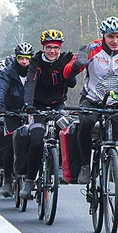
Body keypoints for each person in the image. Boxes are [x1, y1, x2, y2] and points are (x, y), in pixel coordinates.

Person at [63, 16, 118, 225]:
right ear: (103, 35)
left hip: (115, 103)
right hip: (92, 100)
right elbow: (67, 73)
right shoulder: (92, 48)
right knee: (85, 123)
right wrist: (77, 64)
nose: (114, 40)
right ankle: (85, 164)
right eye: (110, 36)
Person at [20, 29, 76, 199]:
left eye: (56, 48)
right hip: (37, 106)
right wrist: (28, 105)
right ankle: (29, 180)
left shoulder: (65, 59)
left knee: (66, 133)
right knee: (36, 141)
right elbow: (30, 84)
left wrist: (72, 69)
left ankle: (61, 169)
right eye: (49, 47)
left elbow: (72, 83)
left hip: (58, 104)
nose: (53, 51)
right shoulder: (35, 62)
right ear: (43, 47)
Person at [0, 42, 34, 197]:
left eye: (27, 58)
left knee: (35, 141)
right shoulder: (8, 72)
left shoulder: (35, 70)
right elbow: (1, 89)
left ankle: (33, 176)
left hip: (30, 109)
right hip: (12, 111)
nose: (24, 61)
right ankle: (8, 180)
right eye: (21, 58)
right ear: (16, 58)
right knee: (10, 144)